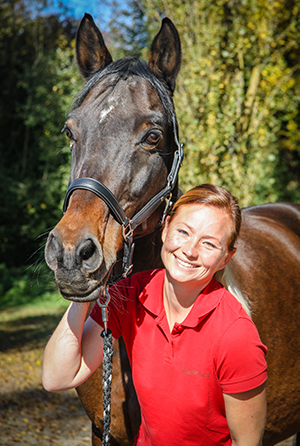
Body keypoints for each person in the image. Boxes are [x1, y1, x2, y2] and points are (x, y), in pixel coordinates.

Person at [42, 184, 267, 446]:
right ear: (166, 228)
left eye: (208, 244)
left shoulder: (236, 334)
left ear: (225, 258)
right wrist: (87, 287)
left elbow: (248, 442)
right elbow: (57, 377)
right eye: (183, 232)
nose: (190, 251)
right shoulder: (130, 294)